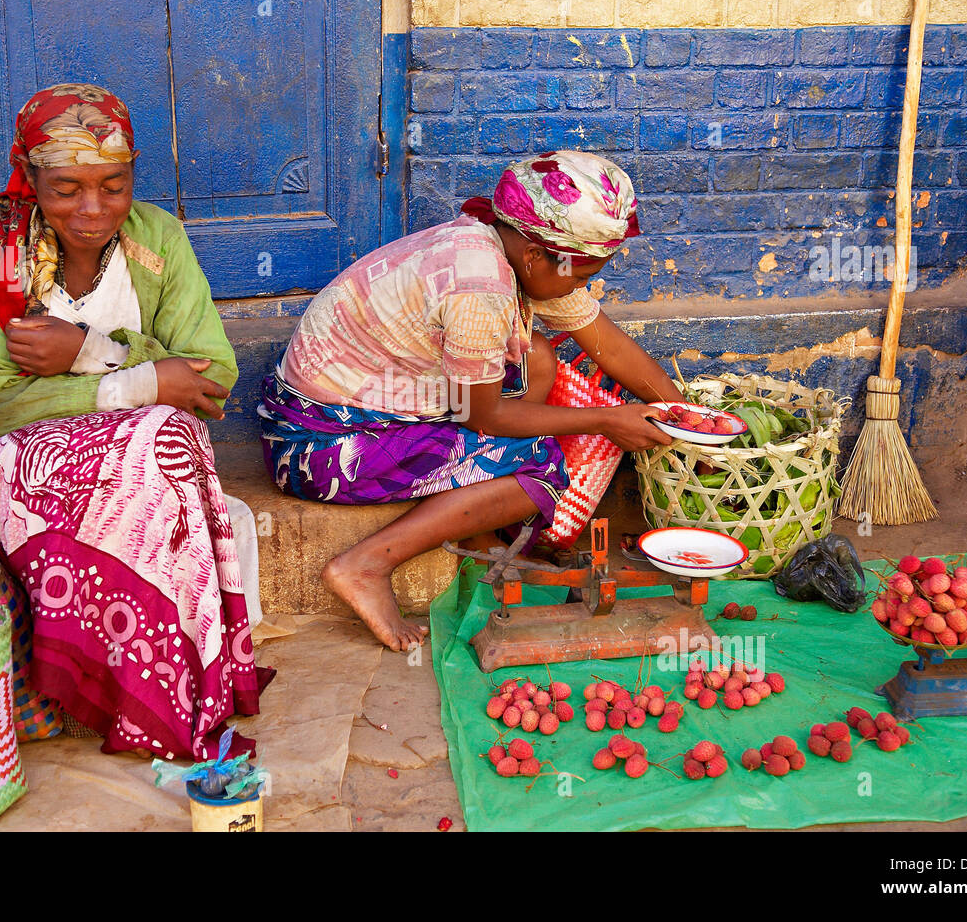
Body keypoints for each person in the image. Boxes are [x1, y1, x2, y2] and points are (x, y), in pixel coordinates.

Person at [0, 83, 271, 762]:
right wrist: (141, 382)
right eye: (66, 189)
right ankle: (136, 685)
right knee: (155, 439)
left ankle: (143, 679)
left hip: (134, 456)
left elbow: (214, 378)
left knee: (163, 442)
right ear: (31, 178)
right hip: (10, 456)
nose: (92, 210)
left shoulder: (156, 238)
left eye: (114, 185)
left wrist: (92, 351)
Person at [259, 150, 686, 652]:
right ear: (535, 255)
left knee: (539, 359)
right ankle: (365, 564)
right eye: (581, 274)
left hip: (352, 406)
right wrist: (607, 421)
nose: (583, 285)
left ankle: (478, 531)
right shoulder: (481, 288)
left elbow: (605, 343)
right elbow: (482, 415)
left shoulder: (506, 243)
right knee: (540, 464)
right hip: (320, 446)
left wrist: (685, 415)